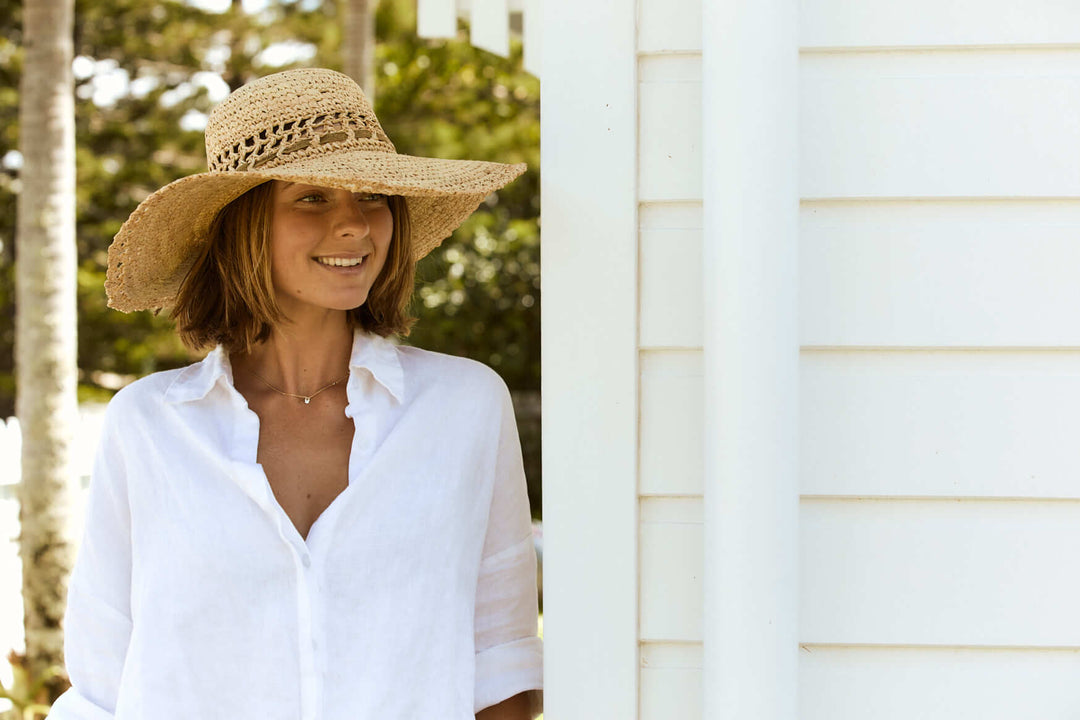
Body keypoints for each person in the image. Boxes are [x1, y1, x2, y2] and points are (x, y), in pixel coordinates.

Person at [48, 68, 542, 720]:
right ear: (242, 226)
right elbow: (101, 684)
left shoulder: (464, 407)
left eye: (371, 195)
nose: (355, 227)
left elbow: (501, 662)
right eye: (312, 198)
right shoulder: (147, 425)